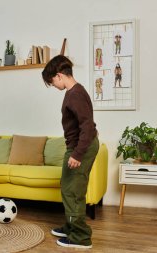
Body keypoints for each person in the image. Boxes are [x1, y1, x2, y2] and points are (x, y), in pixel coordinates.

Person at [41, 55, 99, 249]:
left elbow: (87, 127)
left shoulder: (75, 94)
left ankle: (81, 237)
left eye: (52, 82)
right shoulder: (74, 91)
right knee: (68, 187)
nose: (53, 86)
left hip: (82, 147)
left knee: (73, 191)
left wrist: (77, 154)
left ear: (59, 75)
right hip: (77, 146)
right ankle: (71, 226)